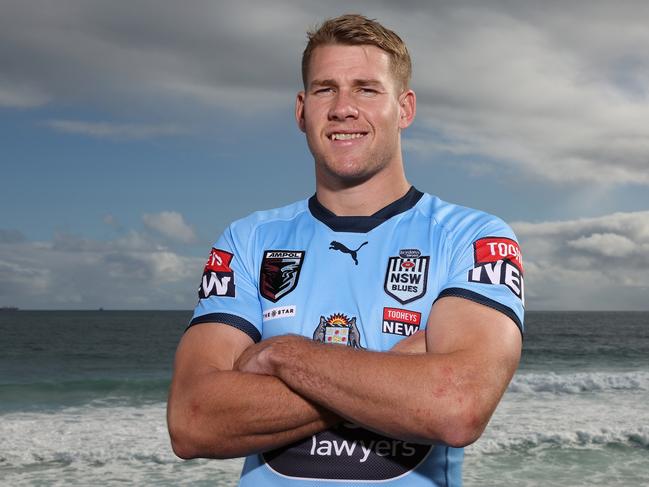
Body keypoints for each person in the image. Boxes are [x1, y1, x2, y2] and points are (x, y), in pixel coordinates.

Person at [167, 14, 524, 486]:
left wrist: (284, 356)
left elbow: (456, 407)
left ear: (405, 108)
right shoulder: (248, 241)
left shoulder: (473, 238)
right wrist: (397, 373)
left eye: (366, 89)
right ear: (301, 110)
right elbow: (193, 421)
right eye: (324, 89)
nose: (343, 108)